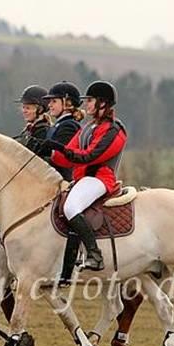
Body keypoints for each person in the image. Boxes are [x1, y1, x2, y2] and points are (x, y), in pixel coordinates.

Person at [48, 80, 127, 276]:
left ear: (102, 103)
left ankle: (94, 254)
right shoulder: (87, 128)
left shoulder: (114, 130)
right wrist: (48, 151)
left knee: (70, 207)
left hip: (100, 178)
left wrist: (61, 149)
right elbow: (66, 157)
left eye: (90, 100)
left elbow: (90, 156)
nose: (86, 104)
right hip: (83, 179)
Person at [14, 85, 51, 149]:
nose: (24, 111)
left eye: (28, 108)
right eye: (23, 107)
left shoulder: (43, 132)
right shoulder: (28, 131)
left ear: (40, 109)